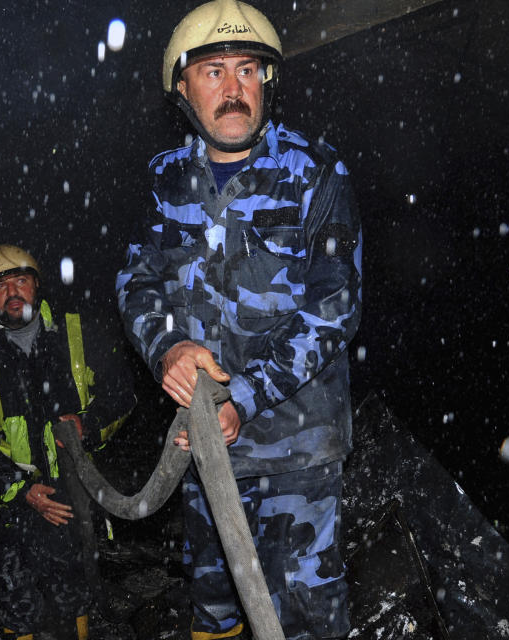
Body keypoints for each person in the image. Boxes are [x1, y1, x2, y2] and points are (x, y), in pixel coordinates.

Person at [115, 1, 363, 639]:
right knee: (216, 612)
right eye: (214, 73)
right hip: (201, 446)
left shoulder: (316, 172)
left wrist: (242, 399)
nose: (234, 90)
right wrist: (166, 348)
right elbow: (135, 282)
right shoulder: (160, 181)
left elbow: (333, 308)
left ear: (267, 81)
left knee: (302, 621)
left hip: (296, 452)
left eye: (248, 70)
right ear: (182, 87)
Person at [0, 243, 135, 640]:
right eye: (0, 286)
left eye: (21, 280)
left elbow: (123, 395)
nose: (13, 292)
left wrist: (89, 425)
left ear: (36, 285)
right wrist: (20, 490)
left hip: (79, 497)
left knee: (81, 602)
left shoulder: (78, 332)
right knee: (17, 606)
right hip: (12, 509)